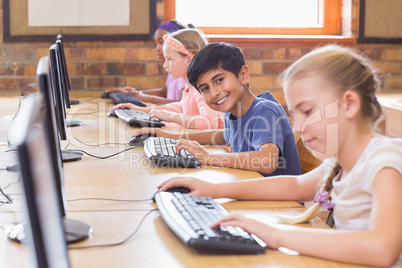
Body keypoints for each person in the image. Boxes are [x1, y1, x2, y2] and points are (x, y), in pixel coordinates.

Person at [156, 45, 402, 267]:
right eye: (296, 115)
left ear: (349, 104)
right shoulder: (339, 163)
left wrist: (276, 235)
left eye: (307, 111)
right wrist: (213, 190)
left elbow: (382, 250)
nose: (297, 128)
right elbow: (294, 185)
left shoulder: (383, 164)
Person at [134, 42, 300, 176]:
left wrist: (208, 157)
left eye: (219, 80)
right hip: (255, 194)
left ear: (243, 75)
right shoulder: (233, 113)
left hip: (280, 207)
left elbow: (266, 161)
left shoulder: (265, 111)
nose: (214, 93)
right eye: (205, 88)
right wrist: (169, 136)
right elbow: (223, 136)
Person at [112, 29, 224, 130]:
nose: (165, 65)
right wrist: (137, 109)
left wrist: (170, 116)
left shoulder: (202, 87)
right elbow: (181, 107)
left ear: (188, 59)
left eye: (169, 59)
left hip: (215, 148)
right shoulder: (190, 85)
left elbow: (208, 123)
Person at [105, 20, 189, 104]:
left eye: (162, 42)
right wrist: (134, 93)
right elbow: (164, 93)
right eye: (156, 44)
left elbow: (182, 104)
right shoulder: (173, 68)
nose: (157, 48)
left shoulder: (182, 72)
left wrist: (149, 98)